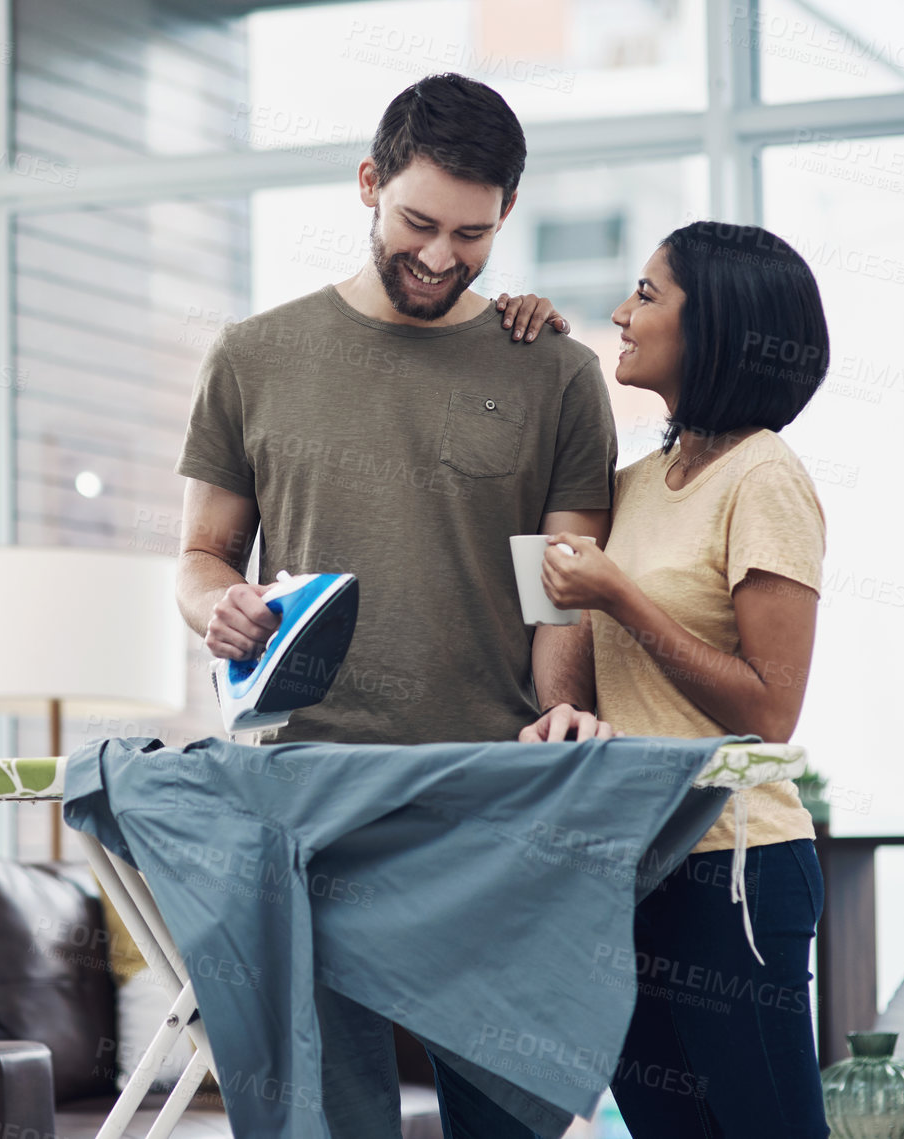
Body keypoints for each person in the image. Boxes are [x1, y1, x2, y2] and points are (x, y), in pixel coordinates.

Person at [176, 72, 617, 1136]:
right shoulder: (252, 356)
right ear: (368, 183)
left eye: (471, 233)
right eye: (418, 221)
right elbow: (202, 555)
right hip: (307, 799)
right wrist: (220, 610)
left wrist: (557, 716)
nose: (439, 255)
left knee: (507, 1114)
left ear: (506, 213)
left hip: (491, 800)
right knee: (327, 1115)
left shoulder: (552, 370)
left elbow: (557, 582)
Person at [502, 221, 831, 1138]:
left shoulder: (764, 476)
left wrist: (622, 595)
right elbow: (566, 659)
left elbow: (769, 708)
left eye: (647, 294)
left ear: (715, 326)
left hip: (735, 863)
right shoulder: (630, 483)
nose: (621, 310)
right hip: (629, 862)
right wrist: (535, 377)